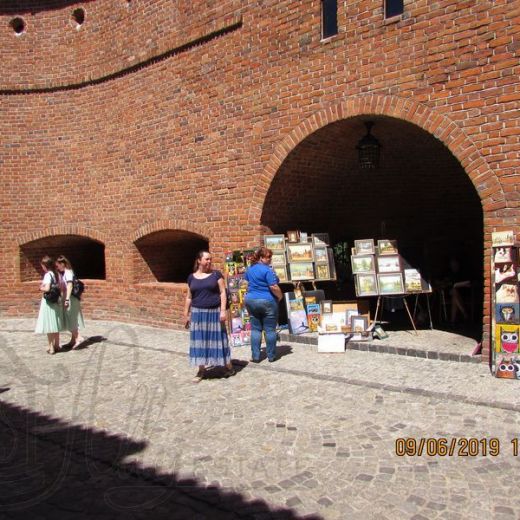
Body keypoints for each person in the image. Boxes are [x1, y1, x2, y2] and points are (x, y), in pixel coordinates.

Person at [183, 251, 234, 382]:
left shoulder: (216, 275)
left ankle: (228, 367)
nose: (209, 261)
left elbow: (223, 293)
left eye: (211, 259)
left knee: (219, 340)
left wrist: (223, 311)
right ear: (199, 261)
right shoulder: (191, 277)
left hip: (214, 313)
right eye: (207, 259)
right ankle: (201, 370)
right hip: (197, 314)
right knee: (199, 341)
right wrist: (186, 314)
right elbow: (189, 297)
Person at [244, 247, 283, 363]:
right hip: (267, 301)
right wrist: (280, 296)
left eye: (270, 257)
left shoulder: (250, 269)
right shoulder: (267, 270)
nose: (270, 259)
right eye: (268, 257)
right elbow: (273, 286)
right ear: (261, 258)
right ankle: (271, 356)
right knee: (270, 330)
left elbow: (246, 284)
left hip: (251, 300)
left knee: (255, 329)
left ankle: (255, 356)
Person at [35, 255, 63, 354]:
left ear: (45, 265)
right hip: (56, 301)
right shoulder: (57, 274)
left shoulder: (48, 275)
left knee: (49, 324)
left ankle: (51, 347)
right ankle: (57, 345)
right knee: (55, 323)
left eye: (42, 265)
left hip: (49, 302)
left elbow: (46, 288)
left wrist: (40, 288)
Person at [56, 255, 85, 349]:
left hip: (70, 297)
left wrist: (67, 299)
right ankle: (73, 340)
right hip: (69, 297)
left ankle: (78, 338)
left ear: (62, 264)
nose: (57, 267)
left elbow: (69, 286)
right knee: (71, 317)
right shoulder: (66, 272)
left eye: (58, 265)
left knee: (70, 317)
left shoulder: (68, 272)